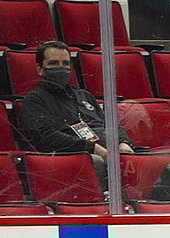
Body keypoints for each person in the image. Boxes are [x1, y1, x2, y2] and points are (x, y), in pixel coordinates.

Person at [19, 40, 134, 190]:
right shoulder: (34, 100)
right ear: (40, 69)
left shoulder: (84, 96)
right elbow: (45, 136)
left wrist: (123, 142)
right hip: (75, 157)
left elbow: (111, 125)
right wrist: (91, 148)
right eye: (54, 63)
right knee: (96, 161)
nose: (61, 68)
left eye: (65, 64)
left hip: (109, 152)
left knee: (162, 160)